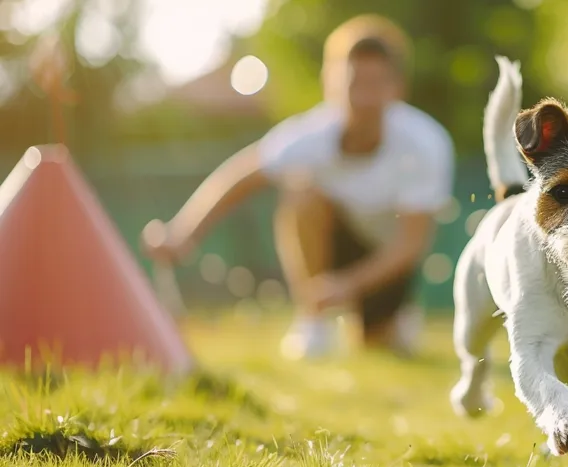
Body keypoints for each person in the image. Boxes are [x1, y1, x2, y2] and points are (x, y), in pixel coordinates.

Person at [142, 14, 455, 360]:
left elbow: (409, 245)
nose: (364, 97)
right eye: (354, 83)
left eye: (376, 83)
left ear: (397, 88)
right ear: (331, 84)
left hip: (387, 263)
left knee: (377, 346)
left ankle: (390, 320)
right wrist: (183, 234)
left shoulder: (426, 142)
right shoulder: (311, 135)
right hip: (333, 245)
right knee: (301, 191)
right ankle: (314, 323)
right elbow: (242, 175)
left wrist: (347, 286)